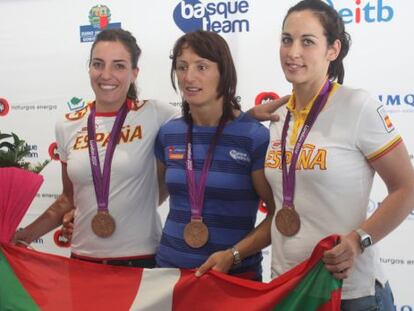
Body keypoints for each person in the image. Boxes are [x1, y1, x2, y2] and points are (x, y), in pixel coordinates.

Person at [264, 0, 414, 309]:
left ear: (333, 50)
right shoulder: (278, 115)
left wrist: (360, 239)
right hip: (288, 287)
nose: (293, 52)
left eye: (308, 42)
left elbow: (407, 188)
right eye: (286, 39)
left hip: (348, 292)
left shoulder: (357, 106)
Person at [12, 28, 179, 268]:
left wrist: (248, 118)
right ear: (89, 68)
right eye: (98, 64)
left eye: (119, 66)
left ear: (134, 73)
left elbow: (208, 122)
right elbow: (68, 198)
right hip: (83, 260)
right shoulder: (68, 124)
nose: (106, 74)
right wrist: (23, 237)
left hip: (141, 260)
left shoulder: (155, 114)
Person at [155, 30, 276, 281]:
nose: (189, 77)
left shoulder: (253, 137)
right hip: (169, 275)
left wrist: (233, 255)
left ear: (224, 73)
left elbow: (279, 217)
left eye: (202, 67)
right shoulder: (169, 133)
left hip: (233, 278)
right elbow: (150, 197)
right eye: (182, 67)